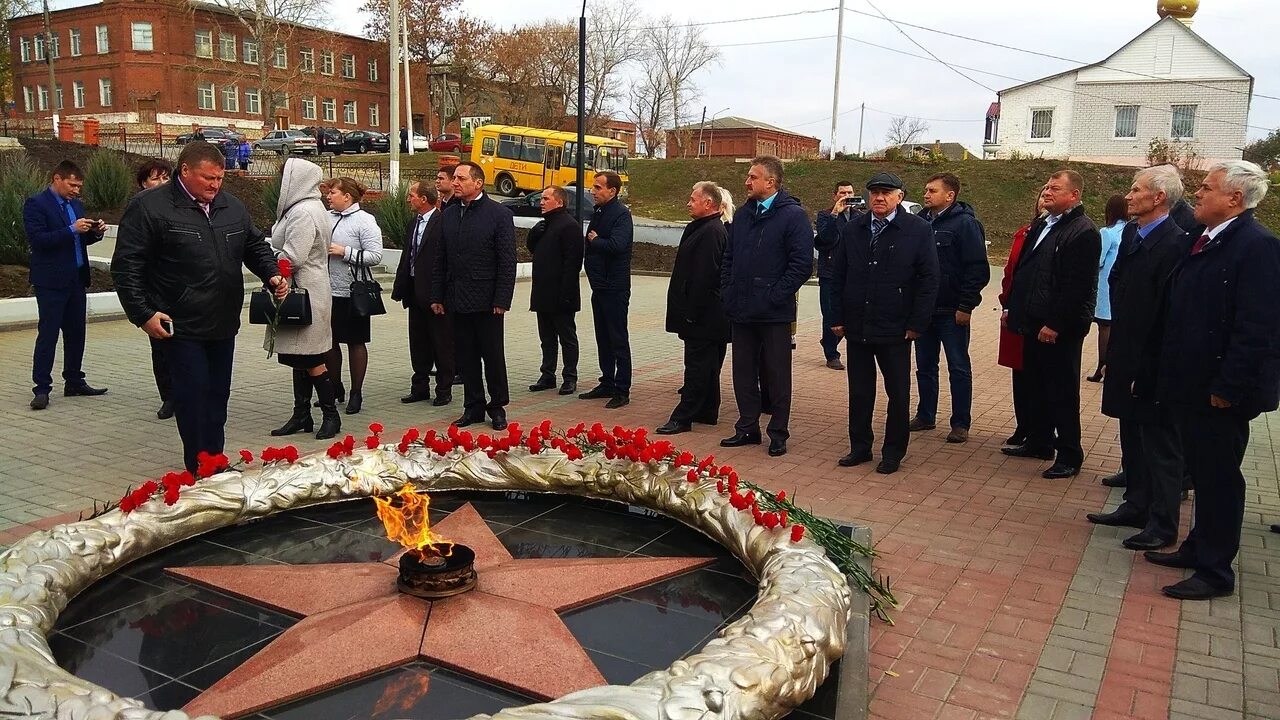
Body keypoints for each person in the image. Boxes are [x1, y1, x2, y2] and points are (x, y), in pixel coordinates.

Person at [1146, 161, 1280, 601]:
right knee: (1201, 471)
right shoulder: (1205, 239)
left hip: (1221, 391)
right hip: (1193, 384)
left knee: (1220, 478)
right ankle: (1197, 546)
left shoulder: (1257, 246)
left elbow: (1257, 326)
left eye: (1206, 188)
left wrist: (1228, 386)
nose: (1197, 194)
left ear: (1235, 199)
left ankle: (1216, 571)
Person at [113, 142, 286, 473]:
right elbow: (127, 266)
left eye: (220, 179)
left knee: (217, 398)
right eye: (208, 178)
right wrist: (143, 314)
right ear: (185, 171)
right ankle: (200, 468)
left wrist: (272, 273)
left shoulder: (230, 206)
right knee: (192, 399)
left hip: (222, 321)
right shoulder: (150, 207)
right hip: (180, 324)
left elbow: (254, 245)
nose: (215, 185)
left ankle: (215, 461)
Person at [1086, 165, 1188, 552]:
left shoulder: (1176, 243)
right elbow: (1119, 281)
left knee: (1159, 442)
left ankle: (1162, 522)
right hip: (1126, 345)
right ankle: (1135, 502)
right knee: (1130, 428)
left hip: (1152, 356)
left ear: (1158, 197)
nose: (1128, 196)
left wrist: (1148, 365)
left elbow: (1168, 312)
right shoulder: (1132, 232)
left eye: (1136, 190)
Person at [829, 172, 939, 474]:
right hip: (858, 324)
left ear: (899, 197)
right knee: (860, 391)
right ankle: (860, 447)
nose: (879, 197)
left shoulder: (917, 230)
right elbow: (837, 275)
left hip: (896, 326)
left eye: (886, 193)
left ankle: (893, 451)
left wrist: (917, 322)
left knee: (898, 392)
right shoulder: (854, 229)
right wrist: (836, 317)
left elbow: (929, 279)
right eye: (875, 192)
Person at [1002, 170, 1101, 479]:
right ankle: (1039, 441)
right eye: (1046, 186)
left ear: (1073, 195)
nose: (1046, 192)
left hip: (1059, 329)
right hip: (1029, 321)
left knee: (1061, 391)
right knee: (1034, 386)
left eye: (1055, 188)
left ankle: (1070, 453)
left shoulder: (1083, 231)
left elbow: (1078, 286)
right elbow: (1025, 272)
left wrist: (1055, 323)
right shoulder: (1042, 224)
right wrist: (1012, 309)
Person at [719, 156, 814, 458]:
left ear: (770, 182)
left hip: (774, 313)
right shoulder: (744, 215)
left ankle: (778, 432)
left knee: (776, 374)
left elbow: (802, 265)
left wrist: (774, 295)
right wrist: (728, 290)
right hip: (742, 309)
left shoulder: (794, 216)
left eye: (752, 177)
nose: (746, 182)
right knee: (743, 372)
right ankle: (747, 426)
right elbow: (729, 258)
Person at [430, 161, 516, 430]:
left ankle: (497, 406)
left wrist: (502, 299)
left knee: (492, 355)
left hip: (488, 301)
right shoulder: (449, 214)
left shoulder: (498, 214)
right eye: (454, 178)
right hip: (456, 298)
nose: (455, 182)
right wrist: (437, 295)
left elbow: (507, 261)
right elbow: (439, 259)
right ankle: (473, 406)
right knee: (465, 357)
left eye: (461, 178)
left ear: (478, 183)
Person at [910, 173, 989, 444]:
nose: (926, 194)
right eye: (926, 189)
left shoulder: (966, 224)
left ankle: (960, 423)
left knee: (958, 366)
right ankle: (925, 414)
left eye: (932, 190)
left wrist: (966, 305)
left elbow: (977, 269)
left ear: (949, 195)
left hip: (952, 310)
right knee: (924, 366)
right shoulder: (920, 223)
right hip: (924, 311)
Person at [23, 160, 109, 411]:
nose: (76, 190)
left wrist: (95, 233)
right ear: (57, 178)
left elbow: (79, 242)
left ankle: (74, 381)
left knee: (76, 334)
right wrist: (71, 229)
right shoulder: (37, 204)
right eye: (72, 185)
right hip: (50, 282)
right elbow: (38, 241)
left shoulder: (76, 205)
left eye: (79, 186)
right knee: (48, 335)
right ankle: (41, 388)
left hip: (76, 280)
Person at [266, 159, 338, 440]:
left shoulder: (303, 212)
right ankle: (302, 413)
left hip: (303, 290)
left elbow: (293, 256)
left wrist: (268, 260)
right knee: (301, 356)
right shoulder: (309, 207)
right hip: (308, 288)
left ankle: (330, 415)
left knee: (310, 356)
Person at [657, 182, 731, 435]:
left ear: (708, 203)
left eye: (693, 199)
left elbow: (704, 276)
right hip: (705, 315)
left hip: (704, 315)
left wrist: (691, 313)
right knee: (708, 365)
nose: (688, 203)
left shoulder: (711, 231)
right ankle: (708, 410)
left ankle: (683, 416)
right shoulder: (703, 227)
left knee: (697, 366)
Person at [323, 176, 384, 415]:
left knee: (355, 342)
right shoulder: (326, 217)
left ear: (347, 197)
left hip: (353, 292)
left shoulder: (365, 221)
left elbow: (375, 256)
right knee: (329, 342)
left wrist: (345, 251)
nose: (328, 196)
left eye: (333, 193)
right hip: (328, 290)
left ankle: (356, 392)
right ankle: (334, 387)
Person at [390, 181, 454, 406]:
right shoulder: (413, 223)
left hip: (435, 294)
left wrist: (441, 295)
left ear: (423, 199)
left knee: (441, 343)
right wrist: (401, 288)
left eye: (412, 195)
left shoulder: (443, 222)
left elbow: (447, 262)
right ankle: (420, 386)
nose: (408, 199)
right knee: (418, 342)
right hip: (415, 291)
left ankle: (444, 389)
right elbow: (407, 257)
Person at [578, 170, 634, 409]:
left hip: (615, 286)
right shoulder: (599, 212)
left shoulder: (621, 214)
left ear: (612, 191)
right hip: (599, 286)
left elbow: (618, 245)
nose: (593, 191)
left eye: (599, 187)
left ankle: (622, 388)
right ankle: (607, 381)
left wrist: (595, 241)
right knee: (603, 337)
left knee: (617, 337)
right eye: (593, 187)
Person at [527, 185, 583, 395]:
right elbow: (534, 250)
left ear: (559, 202)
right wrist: (534, 234)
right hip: (542, 292)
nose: (541, 202)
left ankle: (570, 377)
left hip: (561, 294)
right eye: (541, 198)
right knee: (547, 338)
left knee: (567, 337)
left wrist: (566, 294)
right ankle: (547, 375)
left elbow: (573, 262)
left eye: (546, 198)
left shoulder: (569, 226)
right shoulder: (545, 225)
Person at [998, 194, 1044, 448]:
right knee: (1020, 372)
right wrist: (1006, 303)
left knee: (1038, 378)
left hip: (1038, 316)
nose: (1045, 198)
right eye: (1041, 195)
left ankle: (1040, 431)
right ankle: (1023, 425)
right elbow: (1011, 271)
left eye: (1052, 192)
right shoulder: (1024, 233)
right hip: (1015, 310)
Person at [132, 159, 176, 420]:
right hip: (153, 291)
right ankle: (169, 396)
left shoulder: (177, 206)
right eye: (154, 179)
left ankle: (186, 394)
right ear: (143, 184)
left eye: (165, 178)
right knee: (160, 346)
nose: (161, 184)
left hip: (178, 288)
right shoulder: (138, 210)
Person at [814, 181, 857, 371]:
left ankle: (829, 341)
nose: (846, 196)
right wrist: (835, 214)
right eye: (842, 193)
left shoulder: (860, 216)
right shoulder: (825, 215)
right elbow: (825, 239)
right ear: (835, 196)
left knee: (849, 313)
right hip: (831, 272)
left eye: (849, 192)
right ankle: (831, 354)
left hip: (852, 273)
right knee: (831, 314)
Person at [1087, 195, 1128, 382]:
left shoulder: (1107, 232)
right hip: (1121, 284)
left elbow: (1098, 260)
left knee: (1104, 326)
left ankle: (1101, 367)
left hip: (1105, 285)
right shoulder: (1130, 230)